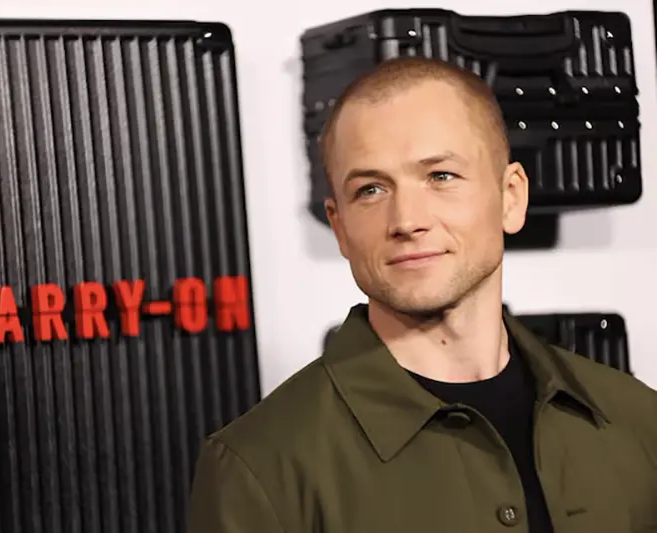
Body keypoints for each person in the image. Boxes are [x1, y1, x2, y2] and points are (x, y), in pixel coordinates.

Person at [186, 56, 657, 532]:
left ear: (511, 197)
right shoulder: (260, 467)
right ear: (340, 227)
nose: (407, 220)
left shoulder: (637, 419)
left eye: (440, 176)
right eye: (370, 189)